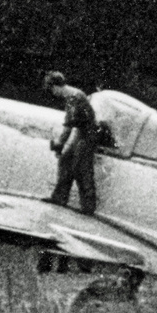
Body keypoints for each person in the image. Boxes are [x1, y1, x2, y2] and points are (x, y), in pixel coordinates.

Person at [43, 70, 98, 215]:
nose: (52, 93)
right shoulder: (74, 94)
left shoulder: (73, 98)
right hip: (82, 133)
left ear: (55, 86)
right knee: (66, 161)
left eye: (51, 89)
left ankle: (88, 207)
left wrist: (59, 144)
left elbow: (68, 128)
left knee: (81, 168)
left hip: (87, 135)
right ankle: (60, 197)